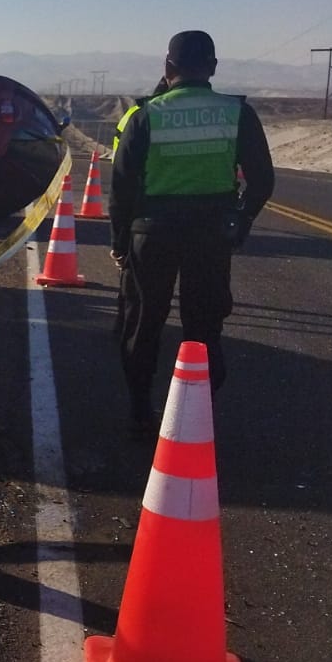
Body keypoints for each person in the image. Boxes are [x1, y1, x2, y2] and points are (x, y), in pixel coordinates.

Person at [109, 30, 275, 436]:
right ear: (213, 68)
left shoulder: (146, 115)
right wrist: (241, 218)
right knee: (204, 328)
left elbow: (122, 189)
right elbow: (263, 179)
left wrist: (119, 245)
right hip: (210, 236)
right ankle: (196, 414)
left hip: (152, 233)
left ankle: (140, 413)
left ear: (167, 68)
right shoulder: (236, 113)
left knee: (144, 324)